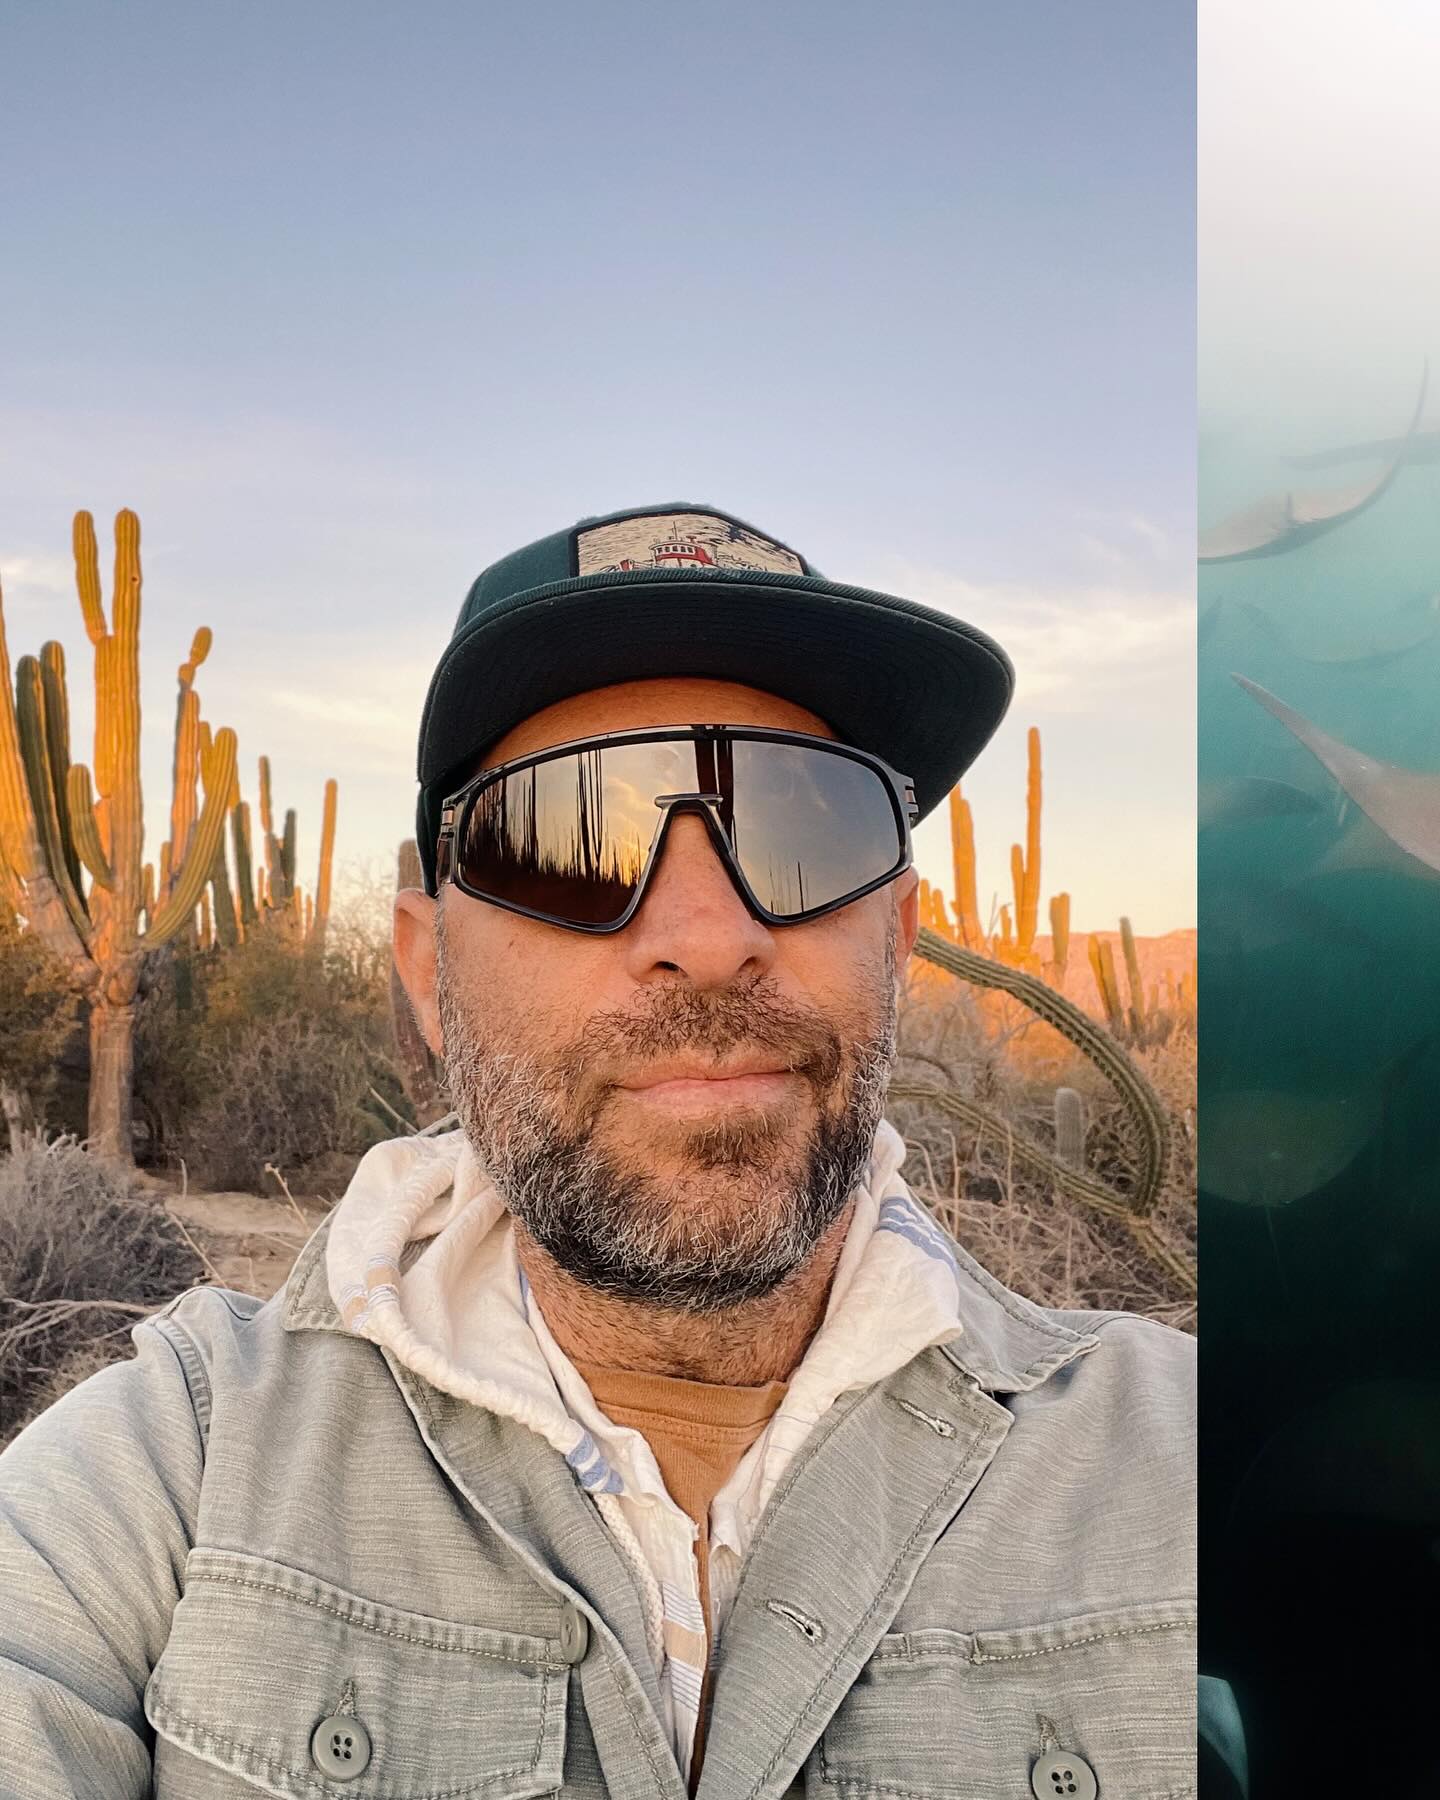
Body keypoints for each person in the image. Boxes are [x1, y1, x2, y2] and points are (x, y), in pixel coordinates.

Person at [0, 503, 1195, 1798]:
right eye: (573, 839)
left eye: (809, 823)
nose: (710, 928)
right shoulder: (172, 1471)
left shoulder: (1186, 1464)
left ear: (898, 936)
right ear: (426, 969)